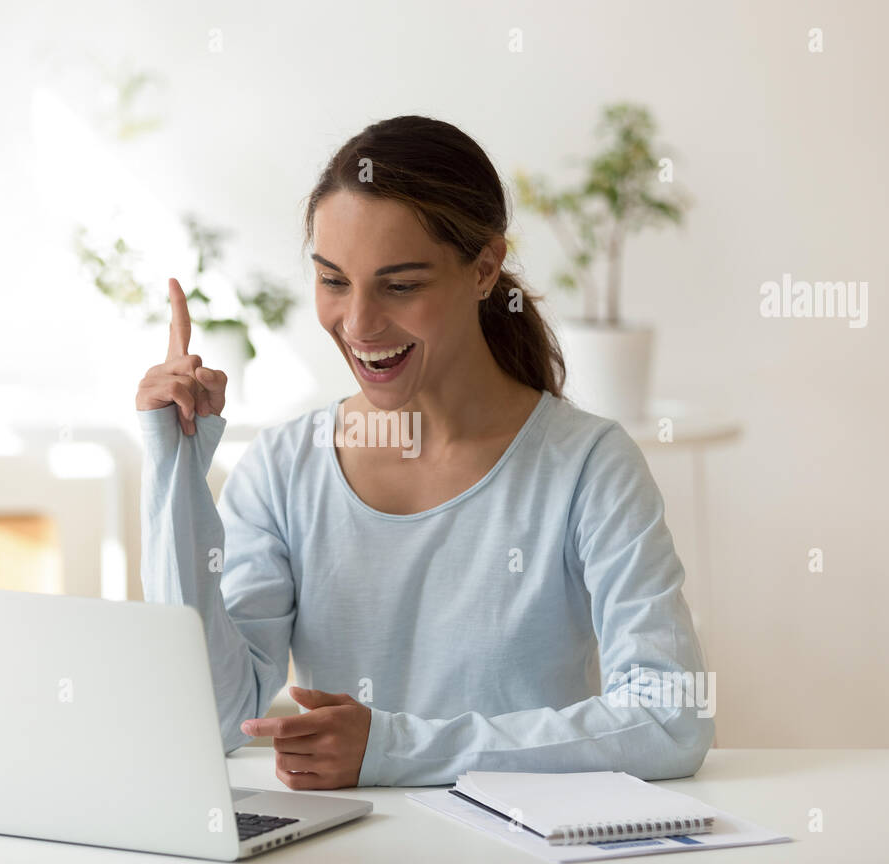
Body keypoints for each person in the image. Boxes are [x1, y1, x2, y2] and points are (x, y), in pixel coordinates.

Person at [135, 115, 713, 789]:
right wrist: (174, 475)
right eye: (333, 281)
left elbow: (671, 721)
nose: (358, 324)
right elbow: (215, 716)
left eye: (400, 285)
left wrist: (395, 748)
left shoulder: (588, 466)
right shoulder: (283, 468)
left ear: (485, 269)